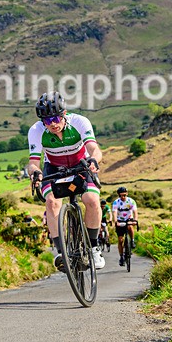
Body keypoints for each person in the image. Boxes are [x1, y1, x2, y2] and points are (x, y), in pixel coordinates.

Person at [26, 91, 105, 270]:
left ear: (64, 114)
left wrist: (94, 160)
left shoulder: (79, 122)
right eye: (47, 121)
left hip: (81, 164)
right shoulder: (36, 131)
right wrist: (35, 173)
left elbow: (94, 148)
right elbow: (33, 163)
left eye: (55, 118)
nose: (52, 124)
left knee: (92, 200)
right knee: (52, 203)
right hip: (54, 168)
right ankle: (62, 252)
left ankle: (93, 248)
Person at [112, 186, 138, 266]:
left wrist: (135, 220)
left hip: (129, 218)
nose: (123, 197)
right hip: (120, 220)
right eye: (121, 195)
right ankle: (121, 257)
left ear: (127, 194)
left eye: (124, 195)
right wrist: (115, 221)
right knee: (120, 240)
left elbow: (135, 211)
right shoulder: (116, 202)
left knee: (130, 226)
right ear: (119, 195)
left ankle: (132, 240)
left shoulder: (131, 201)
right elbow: (114, 212)